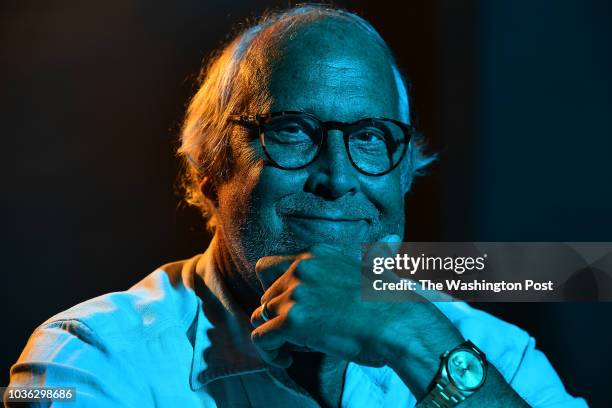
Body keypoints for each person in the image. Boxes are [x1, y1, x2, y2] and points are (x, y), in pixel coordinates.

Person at [7, 5, 587, 408]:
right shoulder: (84, 358)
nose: (337, 177)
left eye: (370, 137)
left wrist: (418, 339)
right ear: (209, 168)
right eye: (291, 132)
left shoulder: (487, 350)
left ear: (406, 172)